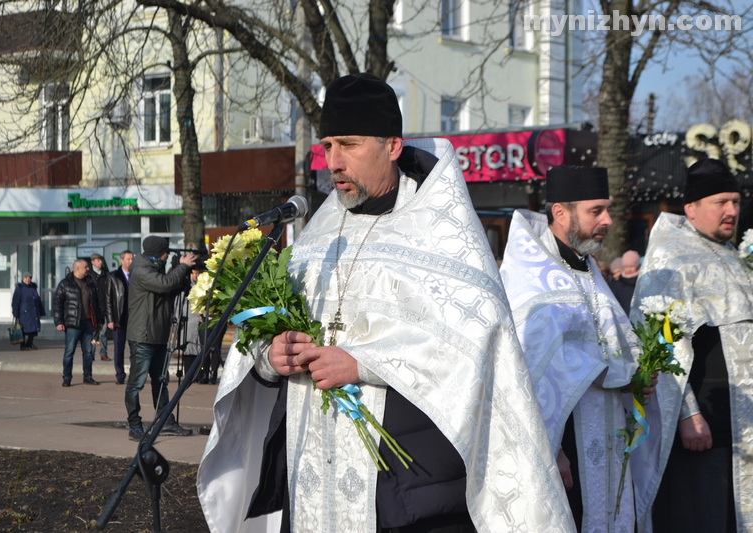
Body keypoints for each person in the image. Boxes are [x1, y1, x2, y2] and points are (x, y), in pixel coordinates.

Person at [197, 73, 573, 532]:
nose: (334, 161)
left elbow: (476, 346)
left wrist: (362, 364)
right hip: (313, 479)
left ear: (392, 145)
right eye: (328, 145)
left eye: (349, 145)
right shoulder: (318, 234)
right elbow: (270, 331)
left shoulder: (443, 234)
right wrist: (270, 357)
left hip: (406, 488)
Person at [499, 165, 655, 532]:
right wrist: (552, 449)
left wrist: (637, 377)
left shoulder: (588, 269)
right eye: (596, 211)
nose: (608, 221)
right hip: (562, 440)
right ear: (560, 213)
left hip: (608, 432)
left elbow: (614, 343)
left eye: (608, 210)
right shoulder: (528, 278)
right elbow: (525, 368)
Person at [633, 158, 752, 532]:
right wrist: (687, 414)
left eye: (735, 201)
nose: (732, 211)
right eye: (721, 202)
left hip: (743, 424)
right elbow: (658, 344)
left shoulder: (735, 255)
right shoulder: (671, 256)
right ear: (691, 208)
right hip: (704, 430)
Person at [125, 236, 196, 441]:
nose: (168, 256)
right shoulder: (141, 270)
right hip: (143, 336)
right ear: (159, 253)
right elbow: (164, 284)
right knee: (136, 384)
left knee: (160, 381)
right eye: (166, 252)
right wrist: (182, 267)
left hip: (158, 335)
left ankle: (165, 421)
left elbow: (167, 291)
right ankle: (135, 425)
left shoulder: (154, 269)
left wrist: (182, 279)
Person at [54, 259, 103, 387]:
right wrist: (59, 321)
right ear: (77, 269)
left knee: (88, 352)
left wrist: (100, 320)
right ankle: (67, 377)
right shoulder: (65, 284)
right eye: (86, 267)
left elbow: (96, 304)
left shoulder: (90, 283)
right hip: (72, 324)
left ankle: (88, 376)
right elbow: (57, 303)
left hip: (88, 323)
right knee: (69, 351)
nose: (88, 269)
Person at [105, 250, 133, 385]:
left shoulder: (137, 275)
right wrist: (110, 318)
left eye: (132, 259)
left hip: (134, 317)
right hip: (119, 316)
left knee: (135, 348)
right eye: (128, 259)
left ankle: (135, 374)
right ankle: (120, 374)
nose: (131, 261)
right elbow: (108, 299)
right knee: (119, 348)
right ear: (122, 260)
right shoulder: (113, 276)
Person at [11, 271, 45, 350]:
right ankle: (23, 345)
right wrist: (15, 313)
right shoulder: (19, 289)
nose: (28, 279)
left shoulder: (33, 287)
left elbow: (37, 299)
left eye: (29, 278)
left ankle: (30, 343)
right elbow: (15, 301)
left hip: (33, 312)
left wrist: (41, 311)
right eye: (26, 278)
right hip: (24, 313)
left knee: (33, 329)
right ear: (23, 278)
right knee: (22, 329)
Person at [88, 253, 110, 361]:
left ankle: (103, 353)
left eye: (101, 260)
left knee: (103, 332)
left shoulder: (106, 274)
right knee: (93, 332)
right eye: (98, 260)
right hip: (92, 308)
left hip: (104, 307)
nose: (100, 262)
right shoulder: (89, 274)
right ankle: (91, 354)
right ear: (92, 262)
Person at [609, 250, 640, 315]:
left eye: (632, 266)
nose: (629, 269)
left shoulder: (641, 281)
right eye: (626, 267)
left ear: (637, 266)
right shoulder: (617, 283)